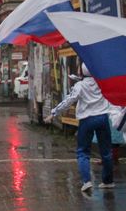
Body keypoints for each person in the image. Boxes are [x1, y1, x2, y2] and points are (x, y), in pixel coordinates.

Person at [45, 63, 113, 193]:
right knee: (106, 151)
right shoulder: (102, 82)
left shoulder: (80, 86)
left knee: (83, 151)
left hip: (87, 119)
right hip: (103, 118)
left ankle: (87, 181)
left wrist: (54, 113)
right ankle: (108, 181)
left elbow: (69, 100)